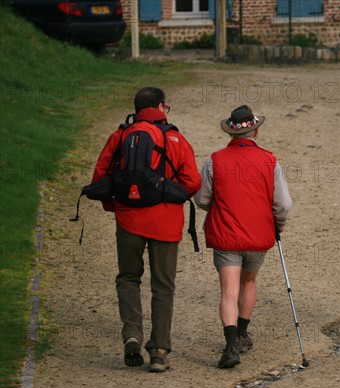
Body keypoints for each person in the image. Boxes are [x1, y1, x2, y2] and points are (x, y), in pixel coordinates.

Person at [91, 87, 201, 372]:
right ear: (162, 107)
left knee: (128, 278)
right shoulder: (175, 138)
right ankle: (159, 351)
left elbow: (101, 177)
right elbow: (192, 182)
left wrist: (115, 206)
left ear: (137, 108)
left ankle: (132, 334)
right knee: (163, 286)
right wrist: (166, 194)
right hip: (165, 223)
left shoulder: (120, 136)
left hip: (128, 220)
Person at [195, 105, 292, 369]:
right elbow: (282, 203)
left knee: (229, 290)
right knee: (249, 281)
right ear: (256, 131)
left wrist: (219, 206)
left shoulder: (215, 159)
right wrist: (279, 224)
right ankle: (241, 334)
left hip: (226, 234)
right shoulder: (270, 161)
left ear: (231, 133)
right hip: (258, 235)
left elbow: (202, 198)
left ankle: (229, 347)